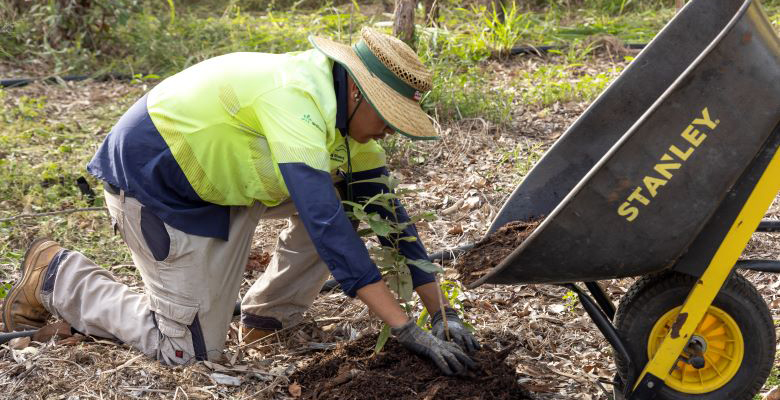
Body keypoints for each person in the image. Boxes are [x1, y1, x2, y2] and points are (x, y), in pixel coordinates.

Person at [2, 27, 479, 375]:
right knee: (187, 352)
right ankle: (58, 275)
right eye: (388, 118)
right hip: (159, 186)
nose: (389, 131)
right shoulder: (296, 97)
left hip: (224, 187)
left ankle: (267, 317)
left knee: (356, 198)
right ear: (357, 90)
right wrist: (404, 329)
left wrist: (441, 313)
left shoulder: (348, 117)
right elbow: (323, 223)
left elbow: (389, 216)